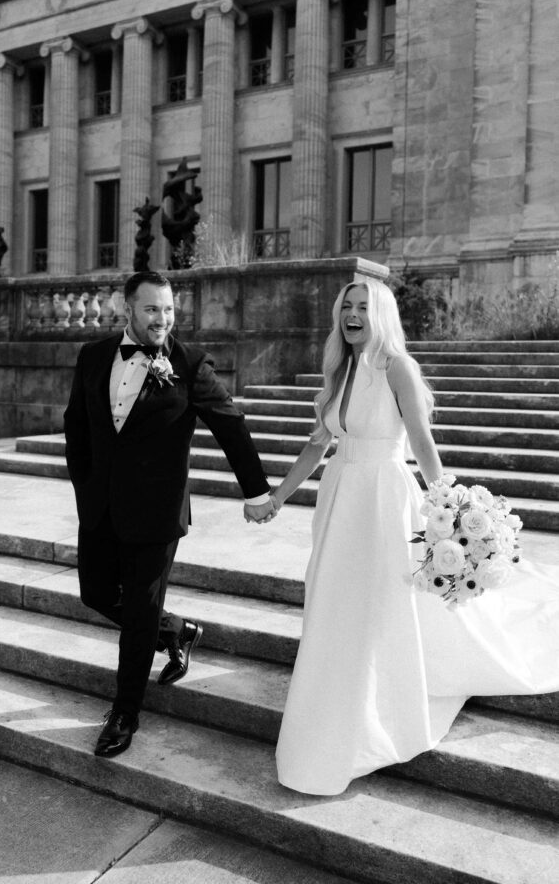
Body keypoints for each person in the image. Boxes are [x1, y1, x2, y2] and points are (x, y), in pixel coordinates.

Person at [272, 278, 559, 795]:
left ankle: (378, 698)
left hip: (385, 497)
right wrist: (276, 497)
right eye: (347, 307)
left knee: (382, 596)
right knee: (336, 595)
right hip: (340, 498)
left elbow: (423, 443)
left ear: (380, 313)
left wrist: (449, 505)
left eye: (363, 306)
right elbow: (317, 447)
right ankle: (334, 686)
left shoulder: (397, 368)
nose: (353, 314)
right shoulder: (339, 370)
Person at [64, 270, 276, 758]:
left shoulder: (191, 364)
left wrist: (256, 491)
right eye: (152, 310)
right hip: (99, 507)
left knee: (138, 614)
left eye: (169, 310)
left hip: (156, 515)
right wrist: (84, 484)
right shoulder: (93, 356)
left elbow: (231, 427)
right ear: (128, 309)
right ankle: (176, 630)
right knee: (95, 594)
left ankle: (124, 713)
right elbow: (76, 425)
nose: (162, 319)